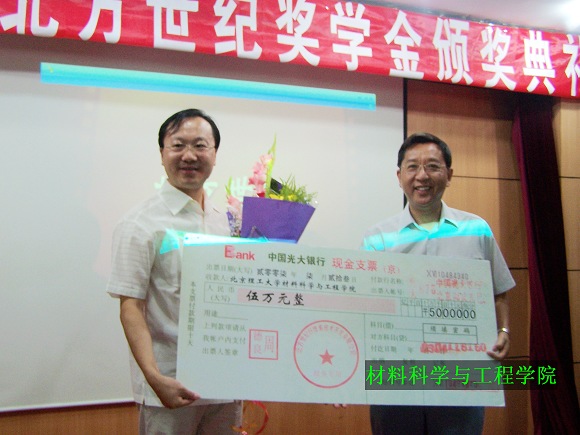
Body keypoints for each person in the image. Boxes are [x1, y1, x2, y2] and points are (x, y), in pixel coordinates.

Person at [361, 132, 514, 435]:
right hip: (396, 380)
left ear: (449, 174)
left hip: (462, 377)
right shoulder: (378, 238)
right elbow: (363, 308)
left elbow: (498, 291)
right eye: (412, 167)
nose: (422, 176)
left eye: (432, 166)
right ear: (399, 176)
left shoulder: (476, 229)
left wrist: (504, 331)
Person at [107, 109, 242, 434]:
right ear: (162, 153)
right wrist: (154, 378)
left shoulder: (227, 221)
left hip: (226, 383)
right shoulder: (139, 223)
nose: (189, 156)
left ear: (215, 154)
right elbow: (131, 307)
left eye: (200, 145)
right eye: (178, 145)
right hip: (169, 386)